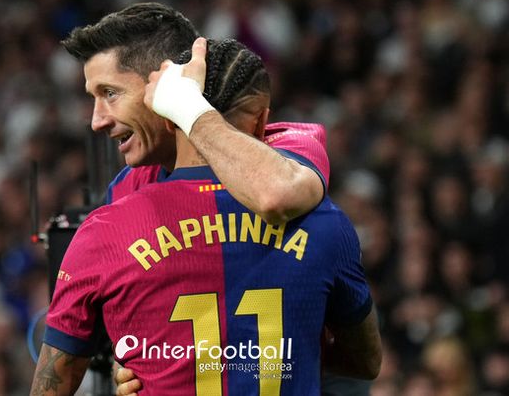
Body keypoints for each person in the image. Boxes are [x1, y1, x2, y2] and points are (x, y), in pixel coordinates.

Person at [29, 39, 382, 395]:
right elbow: (365, 362)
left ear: (168, 120)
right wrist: (284, 350)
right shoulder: (324, 223)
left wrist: (150, 359)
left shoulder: (104, 232)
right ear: (263, 121)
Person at [62, 2, 328, 225]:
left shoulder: (286, 147)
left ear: (166, 82)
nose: (97, 122)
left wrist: (185, 105)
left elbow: (277, 196)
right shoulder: (126, 187)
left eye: (110, 93)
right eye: (94, 97)